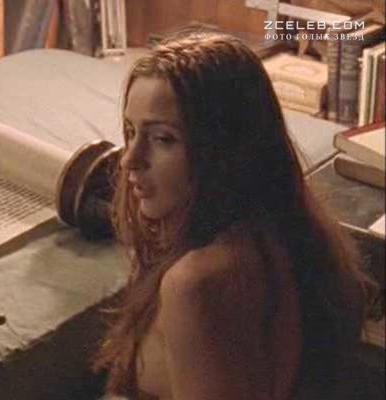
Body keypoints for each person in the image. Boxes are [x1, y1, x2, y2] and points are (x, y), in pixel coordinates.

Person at [93, 32, 374, 400]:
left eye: (163, 139)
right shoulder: (289, 229)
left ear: (223, 149)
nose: (129, 159)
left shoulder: (194, 283)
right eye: (131, 132)